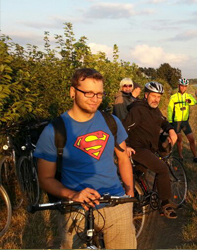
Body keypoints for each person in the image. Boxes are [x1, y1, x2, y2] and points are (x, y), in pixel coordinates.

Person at [34, 68, 136, 249]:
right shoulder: (54, 130)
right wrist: (73, 195)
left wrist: (129, 194)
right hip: (75, 209)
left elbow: (123, 158)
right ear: (73, 92)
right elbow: (45, 178)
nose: (95, 99)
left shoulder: (111, 122)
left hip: (116, 203)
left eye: (99, 94)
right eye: (88, 93)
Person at [123, 81, 179, 219]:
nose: (156, 100)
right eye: (153, 96)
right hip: (138, 149)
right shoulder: (138, 110)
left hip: (148, 148)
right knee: (162, 169)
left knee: (138, 177)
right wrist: (126, 146)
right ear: (146, 95)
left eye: (159, 97)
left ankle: (136, 206)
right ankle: (165, 203)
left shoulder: (154, 110)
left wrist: (171, 130)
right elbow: (123, 128)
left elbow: (163, 121)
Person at [167, 78, 197, 164]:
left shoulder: (188, 96)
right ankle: (180, 156)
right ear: (178, 86)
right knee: (179, 140)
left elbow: (194, 102)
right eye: (181, 86)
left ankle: (195, 157)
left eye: (185, 86)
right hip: (176, 121)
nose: (183, 88)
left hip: (185, 122)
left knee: (192, 140)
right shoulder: (173, 97)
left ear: (186, 87)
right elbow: (170, 109)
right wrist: (170, 121)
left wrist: (190, 101)